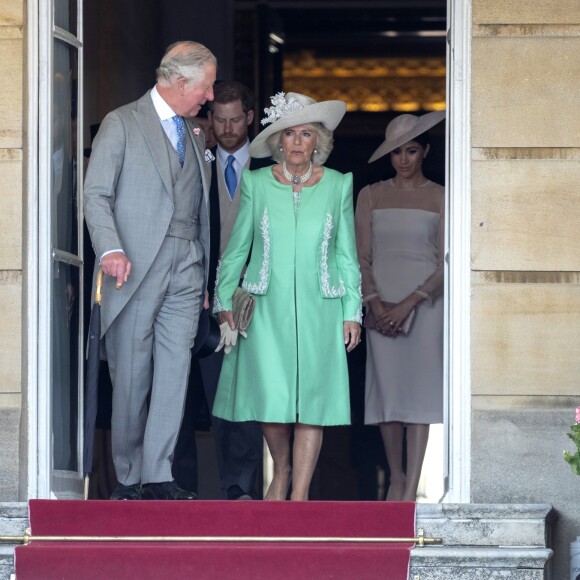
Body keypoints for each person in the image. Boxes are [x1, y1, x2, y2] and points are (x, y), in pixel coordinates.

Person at [212, 92, 362, 501]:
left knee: (312, 397)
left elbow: (346, 255)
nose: (297, 142)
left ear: (319, 142)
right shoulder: (257, 182)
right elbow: (237, 247)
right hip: (266, 307)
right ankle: (282, 468)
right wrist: (223, 299)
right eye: (289, 133)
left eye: (306, 134)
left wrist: (353, 312)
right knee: (272, 395)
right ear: (279, 141)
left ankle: (300, 494)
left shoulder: (338, 185)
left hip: (321, 307)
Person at [84, 40, 217, 500]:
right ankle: (127, 477)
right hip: (134, 266)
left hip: (187, 267)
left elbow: (201, 209)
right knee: (133, 374)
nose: (210, 97)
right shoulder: (123, 123)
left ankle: (158, 475)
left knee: (175, 370)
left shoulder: (196, 136)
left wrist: (202, 278)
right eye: (206, 86)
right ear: (181, 82)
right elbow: (96, 194)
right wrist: (110, 249)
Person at [173, 81, 264, 500]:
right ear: (210, 120)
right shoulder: (194, 164)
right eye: (219, 119)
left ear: (250, 117)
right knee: (195, 394)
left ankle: (240, 489)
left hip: (258, 300)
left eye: (234, 119)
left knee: (243, 397)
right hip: (198, 297)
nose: (227, 128)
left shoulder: (269, 167)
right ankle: (181, 487)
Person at [355, 111, 445, 501]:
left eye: (411, 150)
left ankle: (411, 486)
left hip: (425, 306)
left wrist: (408, 304)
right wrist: (375, 305)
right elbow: (359, 256)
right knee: (387, 395)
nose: (404, 159)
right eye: (396, 153)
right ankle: (394, 476)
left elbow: (446, 260)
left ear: (425, 150)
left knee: (419, 395)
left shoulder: (443, 195)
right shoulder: (370, 194)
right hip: (379, 307)